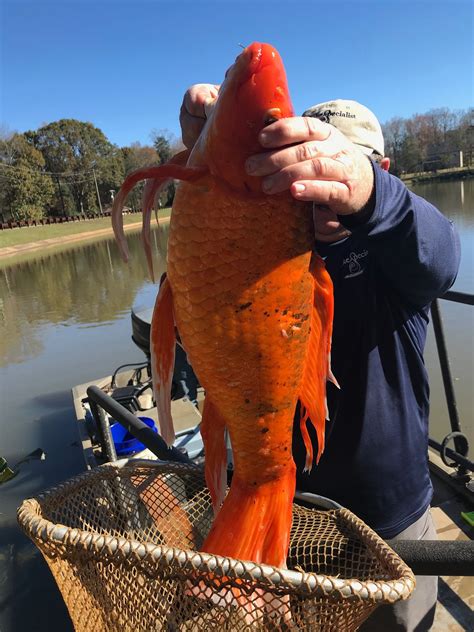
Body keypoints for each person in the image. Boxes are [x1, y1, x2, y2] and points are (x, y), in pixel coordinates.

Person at [179, 85, 461, 631]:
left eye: (342, 162)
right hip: (286, 511)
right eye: (309, 163)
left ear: (381, 167)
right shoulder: (260, 236)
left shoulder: (397, 247)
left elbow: (442, 256)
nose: (323, 188)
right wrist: (207, 166)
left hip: (388, 517)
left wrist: (370, 195)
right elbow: (196, 296)